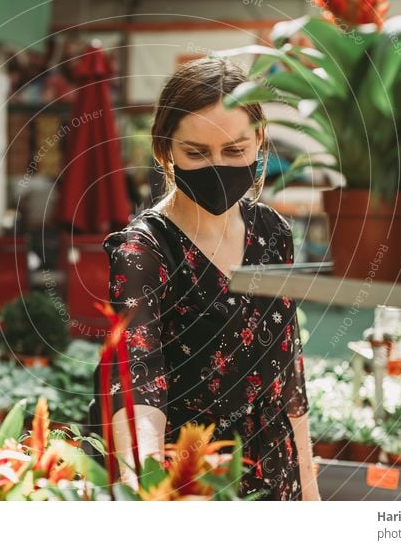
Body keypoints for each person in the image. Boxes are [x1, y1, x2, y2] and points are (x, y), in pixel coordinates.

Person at [98, 57, 320, 501]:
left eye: (235, 150)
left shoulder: (273, 233)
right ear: (165, 150)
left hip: (276, 475)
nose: (218, 166)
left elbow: (287, 375)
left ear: (258, 141)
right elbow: (139, 384)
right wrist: (144, 485)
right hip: (194, 479)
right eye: (196, 153)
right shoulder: (145, 250)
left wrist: (311, 493)